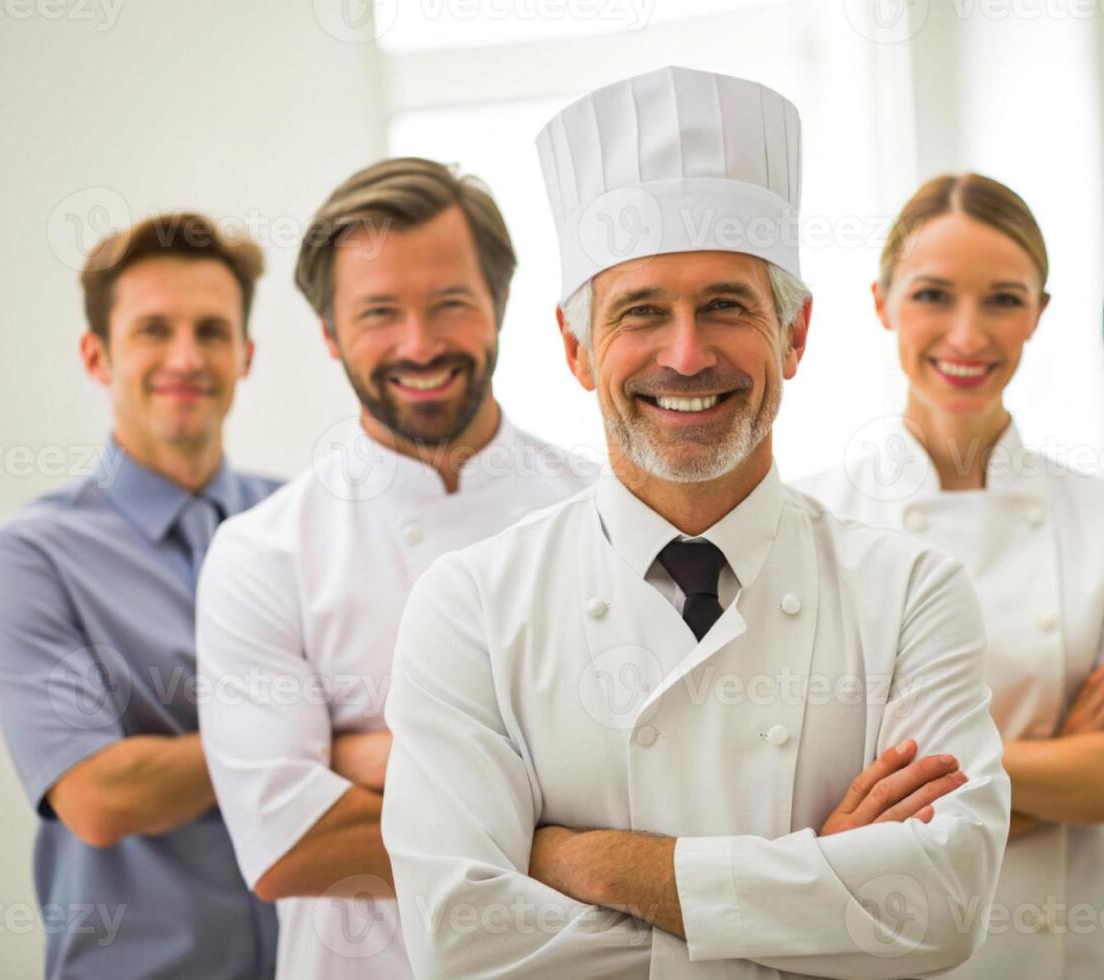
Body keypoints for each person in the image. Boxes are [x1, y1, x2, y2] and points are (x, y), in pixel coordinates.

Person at [382, 66, 1010, 979]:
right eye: (640, 312)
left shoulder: (912, 592)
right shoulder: (470, 607)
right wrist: (817, 901)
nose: (687, 355)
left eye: (726, 305)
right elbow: (460, 940)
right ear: (574, 349)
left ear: (794, 337)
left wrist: (599, 864)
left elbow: (944, 905)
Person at [798, 173, 1104, 978]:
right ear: (882, 301)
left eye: (1002, 299)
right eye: (933, 295)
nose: (969, 334)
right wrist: (1065, 756)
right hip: (882, 949)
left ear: (1039, 314)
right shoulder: (807, 520)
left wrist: (922, 786)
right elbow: (806, 808)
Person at [195, 158, 593, 978]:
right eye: (379, 312)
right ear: (331, 332)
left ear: (500, 306)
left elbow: (678, 789)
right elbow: (291, 848)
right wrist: (586, 835)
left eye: (449, 302)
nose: (419, 344)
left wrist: (382, 756)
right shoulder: (260, 553)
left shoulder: (606, 507)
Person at [0, 213, 280, 978]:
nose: (186, 356)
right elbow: (100, 798)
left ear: (245, 356)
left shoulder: (309, 525)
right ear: (96, 356)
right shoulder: (26, 556)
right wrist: (314, 744)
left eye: (211, 331)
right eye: (152, 330)